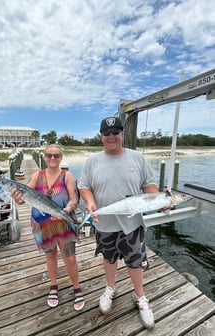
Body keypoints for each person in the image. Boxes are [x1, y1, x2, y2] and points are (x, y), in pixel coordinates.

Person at [78, 117, 158, 329]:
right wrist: (90, 202)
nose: (111, 137)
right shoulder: (92, 161)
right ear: (101, 136)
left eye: (116, 132)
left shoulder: (138, 158)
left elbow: (149, 186)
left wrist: (160, 200)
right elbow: (84, 186)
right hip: (104, 223)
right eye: (107, 133)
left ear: (123, 134)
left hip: (132, 224)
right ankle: (110, 288)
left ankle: (140, 297)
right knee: (109, 257)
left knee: (135, 260)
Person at [11, 144, 84, 311]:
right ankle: (53, 286)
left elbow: (73, 199)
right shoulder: (37, 175)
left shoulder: (67, 176)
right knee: (50, 256)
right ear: (44, 157)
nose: (52, 158)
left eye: (56, 155)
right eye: (49, 155)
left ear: (61, 157)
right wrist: (17, 199)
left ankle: (76, 287)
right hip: (42, 224)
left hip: (64, 223)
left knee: (70, 258)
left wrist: (65, 211)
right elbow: (24, 197)